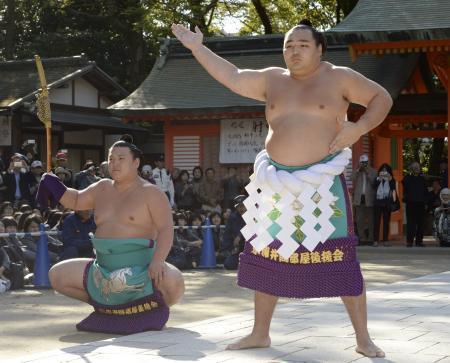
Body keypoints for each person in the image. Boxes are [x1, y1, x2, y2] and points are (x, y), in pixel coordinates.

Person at [172, 18, 392, 357]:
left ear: (320, 49)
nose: (294, 50)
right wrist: (197, 48)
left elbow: (382, 97)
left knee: (341, 255)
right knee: (267, 251)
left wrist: (358, 127)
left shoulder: (338, 77)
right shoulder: (273, 79)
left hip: (321, 184)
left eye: (303, 44)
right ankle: (260, 333)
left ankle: (363, 338)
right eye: (289, 44)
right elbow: (231, 76)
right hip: (276, 184)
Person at [37, 135, 184, 334]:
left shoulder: (151, 192)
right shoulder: (102, 187)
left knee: (174, 283)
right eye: (111, 159)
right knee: (57, 275)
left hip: (141, 269)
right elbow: (77, 200)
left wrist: (158, 260)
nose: (114, 164)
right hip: (103, 270)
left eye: (121, 159)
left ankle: (139, 307)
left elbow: (166, 228)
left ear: (136, 162)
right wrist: (53, 184)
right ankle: (107, 306)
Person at [352, 154, 377, 244]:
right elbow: (352, 178)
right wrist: (358, 170)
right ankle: (361, 238)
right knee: (359, 220)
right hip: (359, 198)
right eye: (362, 163)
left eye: (365, 162)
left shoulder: (373, 171)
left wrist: (367, 172)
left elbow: (374, 182)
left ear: (368, 162)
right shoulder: (357, 171)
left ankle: (370, 238)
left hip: (369, 198)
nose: (364, 164)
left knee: (371, 219)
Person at [402, 162, 428, 247]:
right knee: (411, 223)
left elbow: (425, 192)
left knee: (421, 223)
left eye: (418, 167)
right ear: (411, 169)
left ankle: (419, 241)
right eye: (415, 167)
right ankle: (409, 241)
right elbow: (405, 185)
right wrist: (409, 173)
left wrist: (426, 202)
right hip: (411, 203)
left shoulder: (422, 179)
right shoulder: (407, 178)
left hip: (420, 203)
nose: (417, 168)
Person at [372, 163, 397, 247]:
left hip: (387, 202)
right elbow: (373, 186)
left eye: (386, 170)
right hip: (378, 202)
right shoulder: (377, 178)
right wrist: (379, 179)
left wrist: (390, 179)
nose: (384, 172)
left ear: (389, 171)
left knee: (386, 222)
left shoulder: (391, 179)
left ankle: (385, 240)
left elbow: (393, 189)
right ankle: (375, 240)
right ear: (380, 171)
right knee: (376, 222)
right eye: (382, 170)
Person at [220, 195, 246, 269]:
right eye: (239, 206)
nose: (241, 208)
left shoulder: (254, 215)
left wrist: (240, 236)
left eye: (243, 205)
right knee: (228, 264)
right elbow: (227, 235)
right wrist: (229, 250)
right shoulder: (232, 218)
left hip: (252, 248)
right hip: (238, 249)